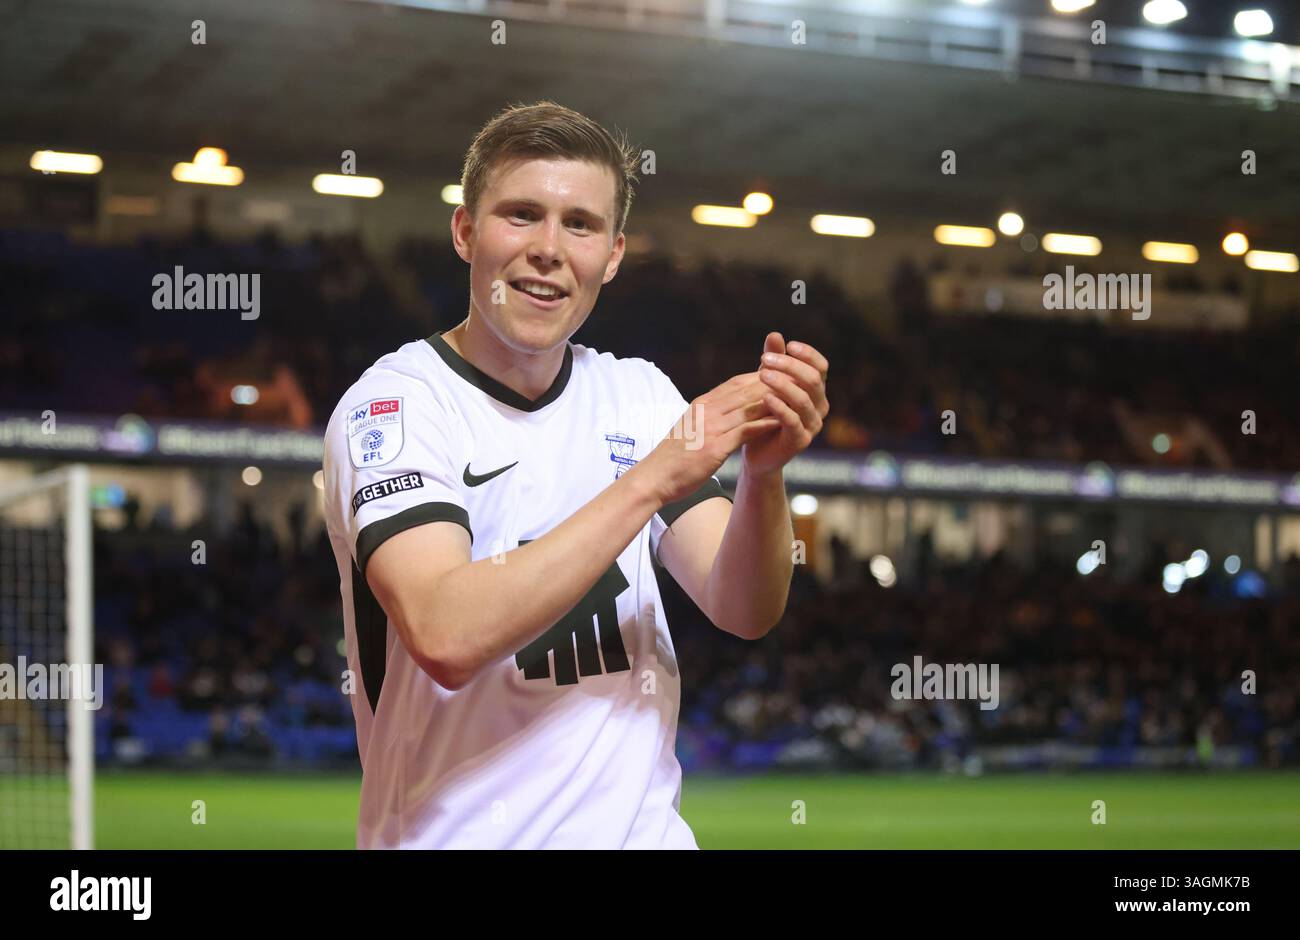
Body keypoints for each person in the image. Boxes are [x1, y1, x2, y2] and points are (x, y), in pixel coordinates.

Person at [321, 100, 830, 848]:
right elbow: (444, 632)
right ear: (465, 232)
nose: (548, 250)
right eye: (521, 215)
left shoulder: (639, 395)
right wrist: (651, 479)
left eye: (580, 225)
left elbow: (742, 605)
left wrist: (764, 476)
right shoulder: (396, 405)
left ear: (613, 255)